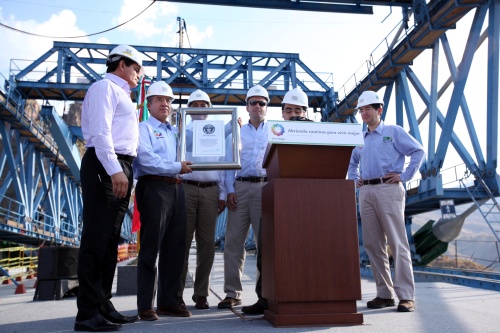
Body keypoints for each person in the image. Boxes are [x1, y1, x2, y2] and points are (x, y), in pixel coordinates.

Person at [75, 44, 142, 332]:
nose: (139, 75)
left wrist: (125, 171)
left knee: (110, 240)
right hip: (106, 165)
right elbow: (101, 133)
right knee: (96, 240)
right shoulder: (105, 87)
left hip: (119, 165)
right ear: (124, 65)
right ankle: (87, 314)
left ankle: (103, 304)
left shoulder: (123, 94)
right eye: (138, 69)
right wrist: (115, 169)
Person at [347, 90, 425, 313]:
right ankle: (384, 294)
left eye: (367, 109)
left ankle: (406, 296)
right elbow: (352, 164)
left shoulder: (393, 132)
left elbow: (418, 151)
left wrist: (405, 176)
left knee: (397, 242)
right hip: (366, 192)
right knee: (373, 244)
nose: (363, 113)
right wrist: (355, 181)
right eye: (361, 110)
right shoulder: (359, 139)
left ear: (379, 110)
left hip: (389, 188)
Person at [133, 81, 193, 321]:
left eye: (168, 100)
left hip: (177, 189)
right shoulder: (142, 128)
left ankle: (169, 302)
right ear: (149, 104)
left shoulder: (175, 131)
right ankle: (145, 305)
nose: (165, 104)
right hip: (154, 187)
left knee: (176, 248)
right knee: (150, 248)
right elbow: (147, 160)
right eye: (159, 100)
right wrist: (177, 166)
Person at [217, 85, 269, 312]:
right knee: (233, 243)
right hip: (240, 188)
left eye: (262, 103)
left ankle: (265, 294)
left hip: (265, 189)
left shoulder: (276, 130)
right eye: (253, 102)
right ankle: (232, 293)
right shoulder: (238, 133)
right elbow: (229, 164)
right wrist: (229, 190)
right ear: (247, 107)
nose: (257, 106)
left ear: (267, 107)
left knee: (265, 244)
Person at [177, 90, 226, 310]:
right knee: (182, 243)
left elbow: (226, 164)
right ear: (189, 109)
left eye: (203, 105)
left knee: (207, 245)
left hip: (211, 191)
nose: (199, 109)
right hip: (187, 188)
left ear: (209, 109)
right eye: (194, 105)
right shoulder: (182, 131)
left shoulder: (221, 132)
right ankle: (176, 294)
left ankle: (201, 293)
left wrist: (223, 193)